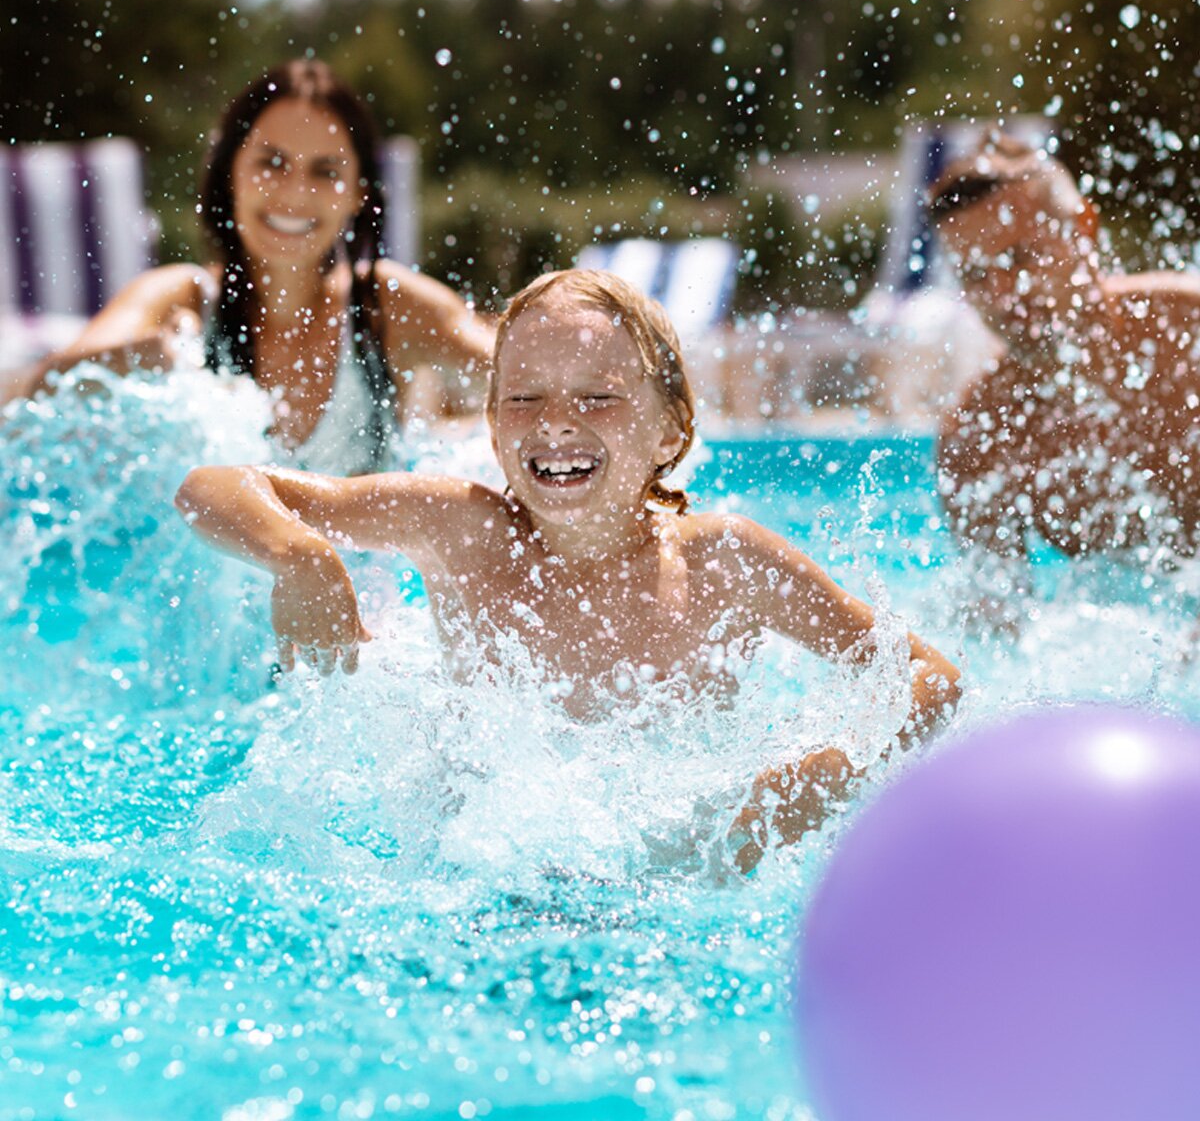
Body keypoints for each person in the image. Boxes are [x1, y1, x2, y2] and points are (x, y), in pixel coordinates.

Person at [175, 268, 961, 872]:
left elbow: (929, 677)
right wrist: (299, 555)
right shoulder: (462, 532)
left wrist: (816, 784)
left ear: (670, 428)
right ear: (489, 423)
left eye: (599, 396)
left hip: (677, 893)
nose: (556, 421)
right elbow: (213, 486)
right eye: (523, 397)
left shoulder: (728, 563)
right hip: (480, 886)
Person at [12, 59, 493, 475]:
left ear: (356, 194)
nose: (294, 193)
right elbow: (35, 394)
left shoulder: (385, 306)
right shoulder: (180, 300)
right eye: (272, 162)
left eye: (325, 172)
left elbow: (527, 370)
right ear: (230, 173)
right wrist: (141, 359)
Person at [932, 135, 1200, 561]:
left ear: (1083, 230)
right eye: (975, 275)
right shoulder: (979, 438)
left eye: (1019, 258)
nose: (1002, 294)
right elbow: (990, 620)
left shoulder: (1190, 335)